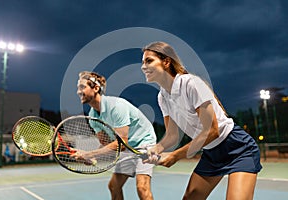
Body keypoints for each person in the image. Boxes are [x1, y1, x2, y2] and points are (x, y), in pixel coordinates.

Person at [141, 41, 262, 200]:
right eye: (142, 62)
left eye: (149, 61)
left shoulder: (191, 84)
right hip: (212, 153)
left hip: (238, 148)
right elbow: (172, 135)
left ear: (166, 61)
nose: (143, 66)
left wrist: (175, 156)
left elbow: (212, 131)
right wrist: (156, 149)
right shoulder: (162, 97)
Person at [76, 71, 156, 200]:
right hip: (126, 146)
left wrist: (89, 154)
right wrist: (91, 158)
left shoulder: (116, 106)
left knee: (142, 187)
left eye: (82, 87)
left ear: (96, 88)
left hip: (144, 142)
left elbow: (121, 144)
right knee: (114, 186)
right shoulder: (92, 116)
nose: (78, 92)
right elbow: (106, 143)